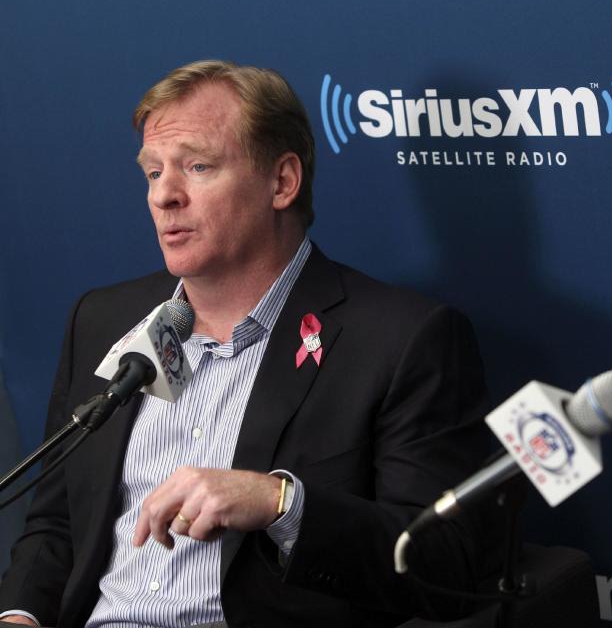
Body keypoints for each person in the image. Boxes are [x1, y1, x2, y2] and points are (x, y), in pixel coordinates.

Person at [0, 60, 491, 628]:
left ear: (282, 182)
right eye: (153, 172)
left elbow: (444, 565)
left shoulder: (401, 339)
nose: (165, 196)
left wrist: (279, 503)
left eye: (197, 166)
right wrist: (20, 617)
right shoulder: (101, 318)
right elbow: (56, 524)